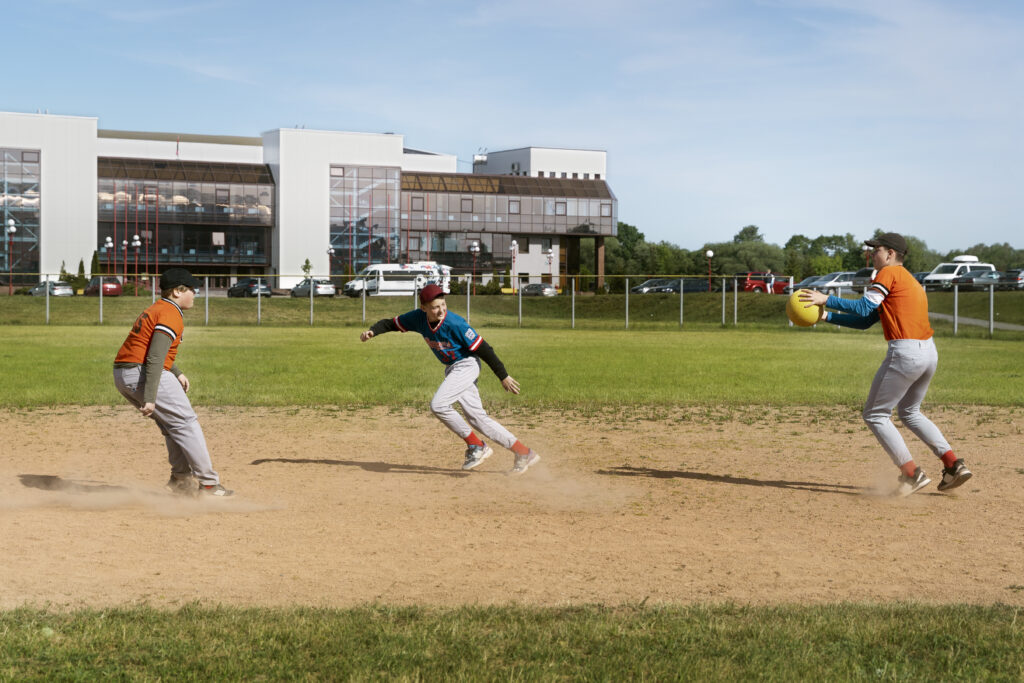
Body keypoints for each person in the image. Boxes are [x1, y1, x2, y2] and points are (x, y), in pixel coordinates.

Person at [799, 233, 971, 496]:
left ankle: (911, 474)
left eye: (875, 249)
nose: (870, 254)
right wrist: (826, 316)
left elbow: (861, 307)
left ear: (890, 254)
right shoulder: (908, 280)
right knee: (910, 412)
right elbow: (866, 320)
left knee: (875, 414)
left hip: (906, 352)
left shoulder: (888, 274)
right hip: (928, 352)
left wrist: (826, 299)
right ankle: (953, 465)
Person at [359, 284, 540, 474]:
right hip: (453, 368)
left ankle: (476, 446)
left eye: (443, 304)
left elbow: (484, 348)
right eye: (435, 307)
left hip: (467, 365)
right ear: (424, 308)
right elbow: (391, 323)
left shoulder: (455, 323)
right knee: (477, 418)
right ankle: (524, 452)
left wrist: (503, 376)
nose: (441, 310)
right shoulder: (417, 318)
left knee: (438, 405)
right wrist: (372, 331)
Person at [113, 268, 234, 497]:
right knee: (187, 423)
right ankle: (209, 485)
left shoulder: (158, 308)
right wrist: (150, 398)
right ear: (178, 291)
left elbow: (151, 350)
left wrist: (176, 371)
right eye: (191, 289)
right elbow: (155, 357)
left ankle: (180, 480)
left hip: (124, 374)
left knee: (173, 426)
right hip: (142, 373)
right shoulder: (170, 313)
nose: (195, 294)